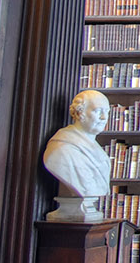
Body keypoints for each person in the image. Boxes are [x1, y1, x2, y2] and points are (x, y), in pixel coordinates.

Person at [43, 90, 112, 220]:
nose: (104, 118)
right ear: (80, 113)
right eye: (98, 111)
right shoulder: (63, 149)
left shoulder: (100, 153)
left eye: (107, 112)